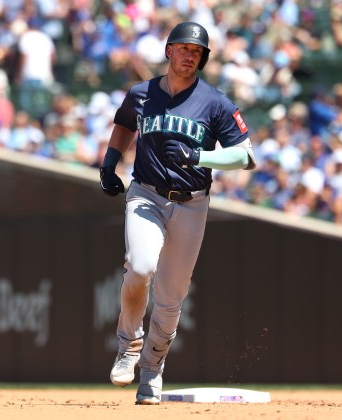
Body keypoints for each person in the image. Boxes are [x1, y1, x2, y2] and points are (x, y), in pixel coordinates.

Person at [98, 21, 256, 405]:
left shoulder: (215, 101)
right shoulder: (141, 93)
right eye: (185, 48)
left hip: (192, 203)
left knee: (170, 298)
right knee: (139, 267)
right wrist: (109, 163)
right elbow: (124, 125)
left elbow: (246, 155)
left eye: (197, 51)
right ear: (169, 51)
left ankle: (152, 371)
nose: (190, 55)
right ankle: (129, 347)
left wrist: (199, 156)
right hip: (146, 195)